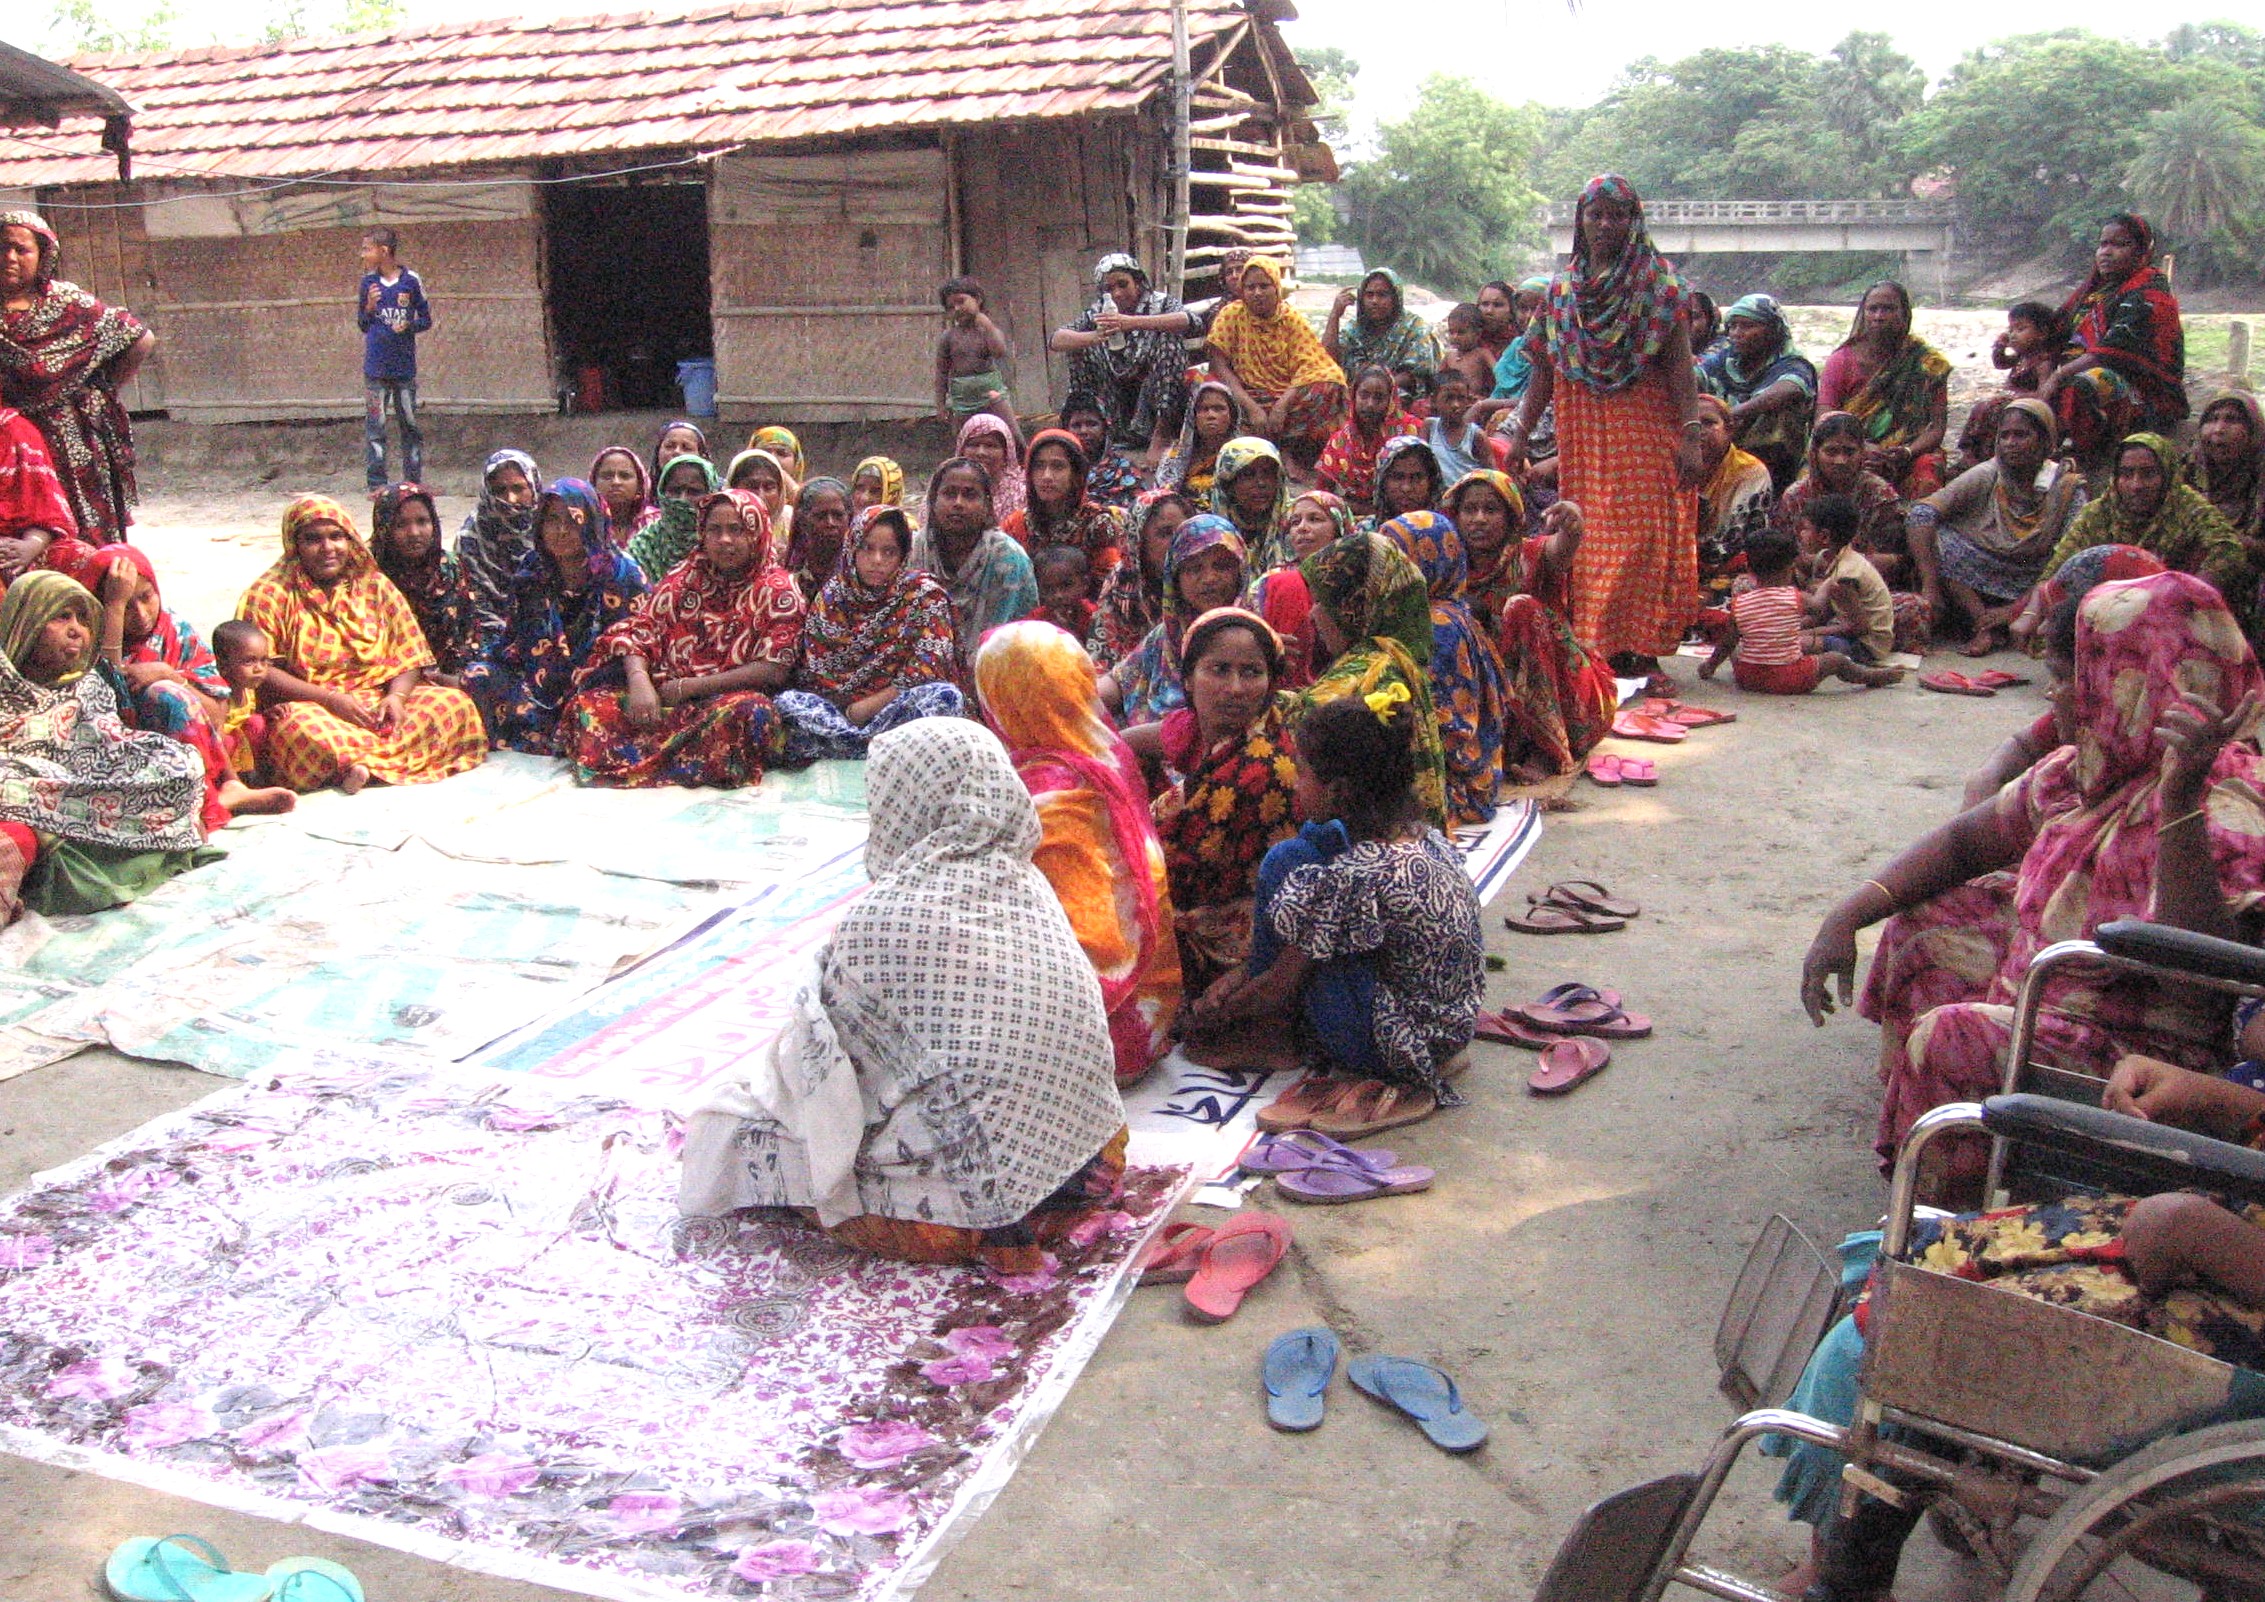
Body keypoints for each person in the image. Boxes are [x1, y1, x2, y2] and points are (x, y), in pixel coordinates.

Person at [1801, 569, 2265, 1202]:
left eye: (2074, 676)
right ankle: (1944, 1157)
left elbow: (2201, 987)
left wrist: (2179, 800)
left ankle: (1954, 1220)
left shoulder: (2227, 801)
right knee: (1922, 929)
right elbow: (1968, 840)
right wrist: (1850, 914)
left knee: (1952, 1037)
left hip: (2151, 1056)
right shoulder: (2090, 767)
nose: (2057, 694)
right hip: (2056, 1000)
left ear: (2135, 682)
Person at [675, 716, 1126, 1276]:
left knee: (732, 1126)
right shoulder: (1026, 881)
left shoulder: (886, 917)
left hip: (956, 1220)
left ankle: (986, 1223)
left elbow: (831, 1085)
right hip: (1092, 1167)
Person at [1181, 694, 1482, 1128]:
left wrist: (1218, 1015)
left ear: (1338, 790)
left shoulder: (1353, 879)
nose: (1294, 782)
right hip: (1449, 1025)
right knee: (1295, 852)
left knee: (1310, 956)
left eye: (1302, 772)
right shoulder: (1426, 837)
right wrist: (1244, 974)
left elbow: (1280, 986)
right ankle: (1275, 1028)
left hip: (1402, 1043)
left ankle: (1277, 1036)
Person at [1503, 176, 1703, 684]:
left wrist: (1692, 433)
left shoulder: (1660, 287)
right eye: (1596, 215)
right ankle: (1599, 647)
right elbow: (1543, 369)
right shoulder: (1561, 291)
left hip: (1646, 428)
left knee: (1647, 539)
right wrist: (1521, 432)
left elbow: (1680, 365)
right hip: (1585, 432)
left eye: (1617, 215)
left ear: (1633, 221)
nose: (1605, 224)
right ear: (1580, 221)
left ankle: (1644, 650)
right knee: (1590, 536)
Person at [975, 621, 1183, 1088]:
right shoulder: (1107, 752)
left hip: (1100, 1033)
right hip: (1156, 1004)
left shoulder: (1044, 789)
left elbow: (1074, 935)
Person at [0, 571, 220, 918]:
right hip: (20, 786)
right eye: (62, 616)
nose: (77, 630)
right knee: (10, 794)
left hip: (81, 786)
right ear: (26, 620)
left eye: (84, 620)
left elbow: (109, 741)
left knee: (181, 764)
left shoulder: (88, 684)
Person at [237, 495, 487, 795]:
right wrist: (330, 700)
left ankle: (360, 768)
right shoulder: (269, 595)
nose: (328, 548)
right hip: (316, 705)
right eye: (313, 539)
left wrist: (396, 698)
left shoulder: (374, 585)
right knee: (301, 733)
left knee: (455, 706)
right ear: (294, 544)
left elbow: (410, 652)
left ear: (350, 539)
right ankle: (375, 764)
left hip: (378, 701)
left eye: (336, 537)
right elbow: (259, 669)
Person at [565, 488, 802, 788]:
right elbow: (639, 631)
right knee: (586, 706)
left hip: (722, 702)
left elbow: (774, 669)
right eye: (715, 530)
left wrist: (689, 687)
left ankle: (650, 761)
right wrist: (640, 683)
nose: (724, 540)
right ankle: (673, 761)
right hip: (664, 701)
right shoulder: (684, 577)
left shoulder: (779, 589)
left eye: (736, 530)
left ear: (757, 533)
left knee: (753, 714)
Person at [1138, 606, 1301, 994]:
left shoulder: (1265, 765)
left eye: (1251, 673)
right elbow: (1123, 744)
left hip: (1244, 952)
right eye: (1219, 669)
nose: (1235, 689)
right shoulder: (1194, 734)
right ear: (1188, 679)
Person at [86, 545, 294, 821]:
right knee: (164, 696)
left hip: (196, 749)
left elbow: (218, 713)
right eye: (126, 605)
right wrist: (114, 608)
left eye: (146, 597)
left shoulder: (176, 631)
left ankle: (227, 786)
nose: (140, 613)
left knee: (175, 696)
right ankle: (204, 800)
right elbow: (106, 690)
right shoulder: (85, 635)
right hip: (124, 756)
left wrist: (170, 675)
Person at [1442, 472, 1615, 784]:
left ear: (1511, 517)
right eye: (1469, 510)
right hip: (1496, 696)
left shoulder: (1528, 554)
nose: (1478, 519)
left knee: (1522, 609)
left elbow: (1559, 550)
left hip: (1567, 695)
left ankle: (1546, 747)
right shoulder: (1447, 565)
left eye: (1491, 510)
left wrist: (1572, 527)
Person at [459, 479, 649, 756]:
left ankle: (566, 730)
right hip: (541, 685)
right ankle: (551, 728)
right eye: (552, 520)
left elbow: (638, 640)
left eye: (572, 521)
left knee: (595, 711)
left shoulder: (623, 575)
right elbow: (514, 640)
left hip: (599, 683)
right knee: (478, 678)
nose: (561, 532)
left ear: (591, 522)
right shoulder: (533, 570)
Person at [0, 211, 154, 542]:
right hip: (13, 446)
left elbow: (140, 338)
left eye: (21, 250)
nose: (9, 258)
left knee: (85, 531)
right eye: (1, 248)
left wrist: (102, 389)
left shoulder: (66, 303)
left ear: (43, 255)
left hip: (73, 443)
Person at [775, 506, 965, 764]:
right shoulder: (832, 597)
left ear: (903, 555)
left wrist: (866, 708)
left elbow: (928, 669)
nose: (877, 560)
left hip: (898, 714)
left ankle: (850, 748)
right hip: (839, 716)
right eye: (867, 549)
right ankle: (869, 747)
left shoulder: (924, 596)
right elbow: (816, 674)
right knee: (789, 703)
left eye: (889, 552)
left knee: (943, 697)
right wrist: (849, 709)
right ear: (852, 549)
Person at [1906, 397, 2085, 656]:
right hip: (1981, 575)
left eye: (2021, 435)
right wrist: (1930, 585)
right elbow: (1922, 513)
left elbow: (2073, 552)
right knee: (1939, 538)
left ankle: (2010, 619)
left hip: (2037, 576)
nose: (2011, 444)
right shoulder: (1989, 473)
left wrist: (2015, 609)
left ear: (2045, 440)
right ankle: (1983, 623)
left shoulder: (2067, 486)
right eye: (2005, 436)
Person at [1299, 530, 1447, 827]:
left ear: (1355, 607)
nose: (1313, 613)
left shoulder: (1373, 669)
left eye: (1323, 601)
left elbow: (1301, 724)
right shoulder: (1394, 658)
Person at [1380, 511, 1511, 826]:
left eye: (1395, 558)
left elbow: (1448, 728)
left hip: (1455, 779)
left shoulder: (1437, 626)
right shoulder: (1443, 610)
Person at [2033, 434, 2249, 620]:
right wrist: (2031, 613)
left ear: (2166, 476)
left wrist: (2186, 594)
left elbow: (2228, 548)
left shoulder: (2187, 506)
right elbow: (2057, 569)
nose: (2136, 485)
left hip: (2171, 611)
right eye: (2126, 474)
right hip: (2107, 613)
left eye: (2148, 474)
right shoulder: (2098, 513)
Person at [2043, 213, 2187, 471]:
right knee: (2006, 405)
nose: (2106, 253)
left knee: (2087, 383)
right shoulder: (2094, 293)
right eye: (2102, 244)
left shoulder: (2150, 295)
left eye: (2119, 245)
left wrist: (2057, 376)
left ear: (2143, 253)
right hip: (2078, 373)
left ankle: (2084, 460)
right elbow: (2053, 333)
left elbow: (2109, 353)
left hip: (2142, 391)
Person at [1701, 527, 1903, 695]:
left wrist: (1710, 665)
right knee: (1836, 660)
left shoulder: (1740, 603)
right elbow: (1817, 607)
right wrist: (1826, 585)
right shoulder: (1795, 597)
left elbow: (1727, 642)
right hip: (1790, 678)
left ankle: (1717, 667)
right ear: (1790, 569)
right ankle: (1871, 677)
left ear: (1750, 569)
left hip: (1749, 678)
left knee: (1736, 647)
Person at [1051, 252, 1200, 466]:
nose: (1117, 293)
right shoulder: (1098, 312)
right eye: (1109, 289)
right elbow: (1057, 339)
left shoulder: (1160, 303)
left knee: (1169, 340)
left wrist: (1132, 322)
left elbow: (1190, 320)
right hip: (1114, 402)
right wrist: (1095, 336)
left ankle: (1161, 434)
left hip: (1155, 399)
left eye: (1123, 284)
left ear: (1138, 283)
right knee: (1077, 348)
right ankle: (1089, 431)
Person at [1204, 255, 1349, 472]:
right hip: (1245, 394)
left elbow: (1317, 364)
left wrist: (1283, 405)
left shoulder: (1290, 319)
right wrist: (1252, 408)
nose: (1257, 293)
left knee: (1329, 385)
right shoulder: (1231, 314)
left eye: (1264, 286)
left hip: (1284, 397)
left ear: (1276, 288)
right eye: (1250, 287)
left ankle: (1287, 449)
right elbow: (1218, 365)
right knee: (1207, 389)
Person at [1100, 513, 1247, 723]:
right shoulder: (1168, 634)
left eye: (1221, 567)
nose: (1209, 579)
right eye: (1194, 569)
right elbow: (1118, 681)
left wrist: (1123, 743)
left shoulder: (1251, 637)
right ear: (1175, 578)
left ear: (1240, 571)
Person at [1817, 280, 1950, 500]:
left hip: (1906, 453)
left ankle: (1917, 528)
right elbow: (1824, 417)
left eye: (1888, 309)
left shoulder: (1928, 364)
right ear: (1863, 314)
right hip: (1850, 448)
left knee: (1927, 469)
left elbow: (1936, 428)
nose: (1879, 316)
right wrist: (1860, 447)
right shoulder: (1841, 361)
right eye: (1873, 309)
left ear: (1904, 313)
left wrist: (1906, 452)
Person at [908, 457, 1037, 659]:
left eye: (969, 495)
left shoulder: (1009, 560)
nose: (958, 503)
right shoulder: (915, 551)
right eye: (949, 494)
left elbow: (1017, 640)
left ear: (987, 504)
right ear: (933, 501)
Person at [1698, 293, 1815, 493]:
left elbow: (1789, 388)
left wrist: (1732, 415)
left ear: (1773, 331)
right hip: (1721, 452)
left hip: (1773, 463)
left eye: (1747, 326)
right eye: (1733, 326)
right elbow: (1696, 377)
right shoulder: (1725, 361)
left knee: (1778, 412)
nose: (1737, 333)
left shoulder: (1792, 363)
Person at [1769, 411, 1907, 579]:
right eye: (1831, 451)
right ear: (1815, 453)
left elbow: (1897, 560)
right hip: (1805, 586)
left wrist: (1840, 566)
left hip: (1865, 586)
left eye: (1849, 452)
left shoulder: (1879, 494)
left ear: (1862, 453)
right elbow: (1780, 554)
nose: (1841, 460)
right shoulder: (1795, 496)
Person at [1247, 489, 1356, 692]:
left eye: (1314, 519)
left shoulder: (1357, 582)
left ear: (1340, 527)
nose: (1302, 528)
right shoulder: (1270, 582)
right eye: (1295, 522)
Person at [369, 483, 474, 685]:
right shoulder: (368, 574)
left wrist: (455, 679)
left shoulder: (449, 568)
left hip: (448, 674)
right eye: (401, 524)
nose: (414, 532)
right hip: (386, 679)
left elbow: (467, 629)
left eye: (423, 521)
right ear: (384, 528)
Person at [355, 226, 431, 495]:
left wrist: (409, 325)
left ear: (383, 251)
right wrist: (369, 307)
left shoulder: (411, 281)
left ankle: (413, 482)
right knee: (375, 427)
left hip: (403, 369)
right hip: (375, 369)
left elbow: (426, 319)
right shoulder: (368, 284)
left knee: (409, 426)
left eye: (367, 249)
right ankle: (376, 484)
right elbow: (363, 325)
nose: (362, 254)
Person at [1002, 428, 1125, 586]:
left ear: (1076, 474)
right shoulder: (1016, 525)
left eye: (1058, 467)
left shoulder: (1098, 524)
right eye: (1039, 466)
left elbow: (1109, 585)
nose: (1046, 476)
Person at [1953, 300, 2066, 471]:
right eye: (2010, 330)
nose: (2013, 335)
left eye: (2020, 329)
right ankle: (1971, 453)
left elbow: (2044, 395)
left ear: (2042, 333)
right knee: (1982, 408)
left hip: (2023, 407)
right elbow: (2000, 362)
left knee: (1993, 410)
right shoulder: (2022, 357)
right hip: (2010, 401)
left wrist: (2020, 397)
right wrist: (1999, 346)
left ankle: (1989, 456)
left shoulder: (2042, 361)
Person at [1089, 489, 1190, 671]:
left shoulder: (1201, 578)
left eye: (1183, 530)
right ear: (1139, 540)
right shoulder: (1121, 583)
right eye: (1164, 533)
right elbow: (1103, 661)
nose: (1177, 541)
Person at [1690, 394, 1775, 607]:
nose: (1699, 431)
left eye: (1709, 423)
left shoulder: (1750, 472)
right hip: (1682, 569)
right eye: (1692, 423)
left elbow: (1738, 540)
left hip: (1730, 569)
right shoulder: (1673, 467)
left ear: (1730, 429)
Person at [1797, 493, 1897, 667]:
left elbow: (1858, 627)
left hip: (1866, 646)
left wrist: (1811, 633)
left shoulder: (1846, 576)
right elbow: (1824, 609)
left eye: (1806, 529)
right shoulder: (1831, 557)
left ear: (1825, 536)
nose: (1801, 534)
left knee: (1797, 644)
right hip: (1847, 629)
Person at [455, 449, 542, 633]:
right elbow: (477, 605)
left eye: (518, 488)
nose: (510, 499)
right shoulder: (472, 538)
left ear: (534, 487)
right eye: (500, 491)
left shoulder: (551, 526)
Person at [1315, 364, 1418, 517]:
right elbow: (1321, 495)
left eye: (1378, 397)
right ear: (1353, 396)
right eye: (1364, 395)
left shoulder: (1411, 431)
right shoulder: (1341, 441)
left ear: (1390, 400)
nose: (1370, 404)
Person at [1323, 269, 1439, 401]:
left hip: (1399, 399)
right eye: (1369, 295)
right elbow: (1327, 360)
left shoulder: (1415, 328)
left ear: (1395, 298)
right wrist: (1334, 316)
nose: (1374, 301)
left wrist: (1375, 391)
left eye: (1382, 295)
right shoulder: (1354, 329)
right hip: (1356, 398)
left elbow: (1414, 375)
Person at [934, 275, 1018, 437]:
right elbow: (941, 372)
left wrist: (988, 327)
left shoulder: (987, 330)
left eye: (961, 301)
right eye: (951, 307)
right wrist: (940, 405)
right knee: (964, 438)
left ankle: (1021, 459)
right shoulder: (949, 337)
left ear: (978, 299)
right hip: (962, 400)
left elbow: (999, 352)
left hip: (991, 395)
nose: (957, 309)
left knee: (1011, 435)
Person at [0, 402, 77, 575]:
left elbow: (46, 510)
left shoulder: (18, 433)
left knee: (86, 558)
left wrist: (31, 546)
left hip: (15, 548)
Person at [2185, 392, 2265, 549]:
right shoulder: (2188, 469)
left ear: (2253, 430)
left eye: (2232, 420)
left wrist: (2237, 544)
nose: (2219, 429)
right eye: (2212, 419)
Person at [628, 454, 721, 583]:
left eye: (694, 491)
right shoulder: (642, 548)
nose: (682, 499)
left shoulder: (721, 545)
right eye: (674, 491)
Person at [1210, 436, 1292, 573]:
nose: (1261, 483)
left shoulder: (1297, 524)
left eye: (1268, 473)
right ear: (1228, 483)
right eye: (1248, 475)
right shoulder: (1208, 532)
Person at [210, 619, 276, 783]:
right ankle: (231, 781)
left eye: (264, 660)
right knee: (229, 740)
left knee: (258, 723)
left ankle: (256, 774)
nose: (259, 668)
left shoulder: (249, 691)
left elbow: (249, 719)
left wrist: (269, 714)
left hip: (245, 754)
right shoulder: (222, 697)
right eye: (249, 661)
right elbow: (215, 737)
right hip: (224, 756)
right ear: (223, 665)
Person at [1154, 379, 1238, 504]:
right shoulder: (1176, 455)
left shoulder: (1241, 453)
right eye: (1204, 409)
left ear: (1232, 416)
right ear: (1193, 416)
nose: (1211, 415)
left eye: (1219, 409)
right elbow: (1163, 496)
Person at [1059, 393, 1144, 511]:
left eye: (1091, 424)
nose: (1084, 431)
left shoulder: (1124, 470)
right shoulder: (1056, 470)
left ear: (1105, 428)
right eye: (1076, 425)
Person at [1417, 369, 1496, 485]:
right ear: (1434, 400)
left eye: (1461, 398)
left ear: (1468, 401)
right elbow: (1420, 463)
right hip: (1436, 497)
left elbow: (1492, 475)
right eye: (1449, 398)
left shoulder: (1475, 435)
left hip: (1466, 498)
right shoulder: (1429, 427)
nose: (1455, 405)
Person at [783, 476, 853, 603]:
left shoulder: (858, 572)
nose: (830, 523)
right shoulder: (786, 570)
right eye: (820, 516)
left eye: (838, 515)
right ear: (802, 520)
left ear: (849, 517)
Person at [955, 411, 1026, 525]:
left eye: (990, 446)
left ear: (1006, 453)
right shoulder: (945, 488)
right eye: (974, 445)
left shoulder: (1021, 495)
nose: (981, 453)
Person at [1368, 435, 1445, 530]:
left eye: (1416, 478)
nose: (1406, 488)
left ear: (1431, 482)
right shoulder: (1365, 534)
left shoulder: (1446, 536)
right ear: (1383, 482)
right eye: (1397, 477)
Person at [587, 445, 652, 550]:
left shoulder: (657, 523)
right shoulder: (583, 525)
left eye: (625, 476)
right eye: (607, 476)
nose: (615, 482)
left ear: (640, 486)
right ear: (593, 484)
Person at [1028, 545, 1095, 639]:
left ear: (1085, 583)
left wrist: (1069, 631)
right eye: (1048, 588)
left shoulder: (1095, 618)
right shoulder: (1035, 622)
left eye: (1066, 585)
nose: (1058, 595)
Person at [1434, 303, 1494, 400]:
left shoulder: (1482, 354)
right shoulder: (1449, 356)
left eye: (1461, 332)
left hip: (1474, 400)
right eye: (1451, 332)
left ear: (1477, 334)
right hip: (1451, 401)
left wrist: (1487, 398)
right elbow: (1437, 380)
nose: (1455, 337)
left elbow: (1499, 374)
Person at [723, 447, 792, 526]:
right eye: (752, 487)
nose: (760, 496)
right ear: (733, 488)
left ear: (780, 492)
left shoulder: (790, 522)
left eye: (769, 488)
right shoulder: (719, 520)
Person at [650, 420, 708, 486]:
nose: (677, 452)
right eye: (669, 446)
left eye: (687, 448)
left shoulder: (719, 491)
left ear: (702, 456)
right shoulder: (642, 489)